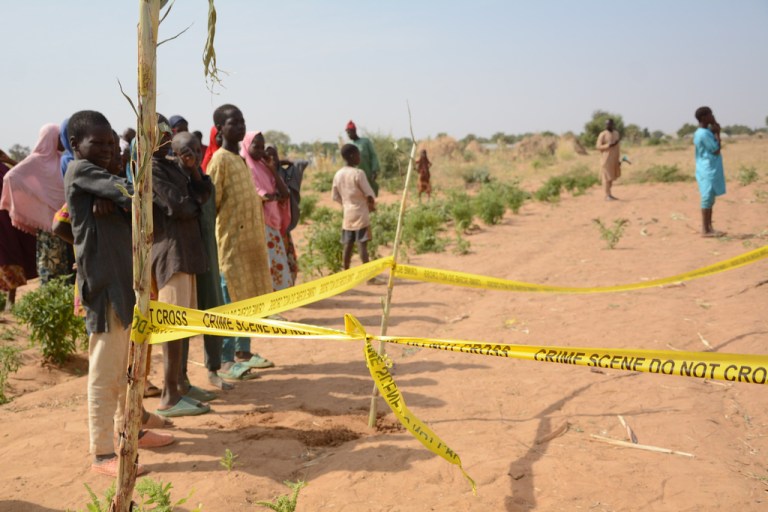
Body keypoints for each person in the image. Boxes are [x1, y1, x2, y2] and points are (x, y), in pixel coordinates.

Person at [64, 110, 173, 477]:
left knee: (129, 367)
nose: (108, 150)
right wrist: (121, 193)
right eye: (98, 143)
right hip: (105, 288)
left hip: (125, 286)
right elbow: (136, 194)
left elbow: (148, 210)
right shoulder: (80, 171)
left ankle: (133, 431)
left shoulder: (103, 179)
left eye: (112, 143)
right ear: (74, 145)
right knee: (105, 372)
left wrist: (119, 199)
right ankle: (101, 454)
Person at [205, 104, 274, 380]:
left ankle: (243, 353)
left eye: (243, 122)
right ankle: (224, 360)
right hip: (231, 247)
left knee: (247, 299)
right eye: (234, 123)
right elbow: (213, 206)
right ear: (220, 128)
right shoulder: (219, 160)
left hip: (251, 246)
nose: (241, 127)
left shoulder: (242, 159)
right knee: (229, 299)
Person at [152, 122, 213, 418]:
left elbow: (203, 195)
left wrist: (192, 170)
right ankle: (168, 395)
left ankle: (179, 386)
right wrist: (192, 201)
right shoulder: (153, 169)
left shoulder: (175, 168)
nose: (164, 141)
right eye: (160, 137)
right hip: (171, 254)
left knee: (183, 325)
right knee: (172, 326)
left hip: (187, 252)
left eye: (167, 136)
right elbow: (180, 208)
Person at [0, 123, 73, 284]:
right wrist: (36, 199)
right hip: (48, 224)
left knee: (67, 264)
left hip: (64, 219)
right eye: (59, 137)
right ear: (50, 138)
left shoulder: (61, 159)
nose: (62, 141)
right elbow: (11, 177)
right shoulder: (35, 160)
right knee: (51, 264)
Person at [241, 131, 293, 290]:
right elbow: (260, 196)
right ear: (247, 145)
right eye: (256, 146)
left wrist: (272, 169)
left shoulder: (264, 166)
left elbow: (285, 194)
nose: (260, 151)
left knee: (277, 269)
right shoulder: (244, 166)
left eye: (262, 147)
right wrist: (272, 197)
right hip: (257, 226)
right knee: (264, 271)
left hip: (272, 225)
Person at [0, 151, 37, 310]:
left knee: (10, 256)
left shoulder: (5, 169)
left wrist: (10, 161)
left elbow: (24, 177)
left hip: (7, 220)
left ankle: (10, 300)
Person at [332, 144, 376, 271]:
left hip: (347, 214)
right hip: (361, 213)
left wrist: (346, 204)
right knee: (362, 244)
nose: (359, 157)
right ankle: (369, 276)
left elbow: (334, 196)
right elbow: (369, 195)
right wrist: (371, 206)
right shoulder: (358, 173)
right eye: (358, 154)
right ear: (352, 156)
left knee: (348, 245)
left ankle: (345, 272)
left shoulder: (338, 174)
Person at [693, 106, 726, 237]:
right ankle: (705, 230)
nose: (712, 117)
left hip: (710, 168)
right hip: (707, 169)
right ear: (703, 117)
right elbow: (716, 150)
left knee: (710, 198)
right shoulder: (702, 133)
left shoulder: (705, 132)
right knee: (706, 197)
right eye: (710, 115)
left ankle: (710, 228)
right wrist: (717, 133)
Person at [277, 157, 308, 284]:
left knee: (287, 261)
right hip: (268, 229)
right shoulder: (260, 175)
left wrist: (282, 162)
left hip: (282, 227)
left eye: (274, 156)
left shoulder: (280, 174)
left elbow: (302, 162)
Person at [345, 120, 380, 196]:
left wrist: (374, 170)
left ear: (354, 131)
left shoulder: (365, 142)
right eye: (347, 132)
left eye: (349, 132)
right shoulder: (348, 144)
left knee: (370, 192)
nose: (348, 134)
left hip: (367, 172)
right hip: (354, 174)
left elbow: (373, 156)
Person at [596, 119, 621, 201]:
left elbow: (617, 147)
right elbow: (598, 147)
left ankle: (609, 194)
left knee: (611, 178)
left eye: (610, 124)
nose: (608, 125)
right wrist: (608, 145)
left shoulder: (616, 133)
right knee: (606, 177)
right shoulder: (602, 134)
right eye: (607, 124)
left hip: (614, 159)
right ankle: (607, 195)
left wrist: (618, 159)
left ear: (613, 124)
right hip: (606, 159)